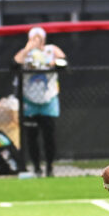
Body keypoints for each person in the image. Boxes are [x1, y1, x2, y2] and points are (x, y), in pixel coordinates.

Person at [13, 26, 66, 177]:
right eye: (33, 37)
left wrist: (54, 63)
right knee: (32, 137)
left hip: (48, 99)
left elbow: (64, 62)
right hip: (30, 101)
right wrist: (28, 48)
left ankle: (49, 166)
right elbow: (14, 64)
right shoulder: (25, 53)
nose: (37, 40)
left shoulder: (51, 50)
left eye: (39, 37)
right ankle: (36, 167)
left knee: (49, 136)